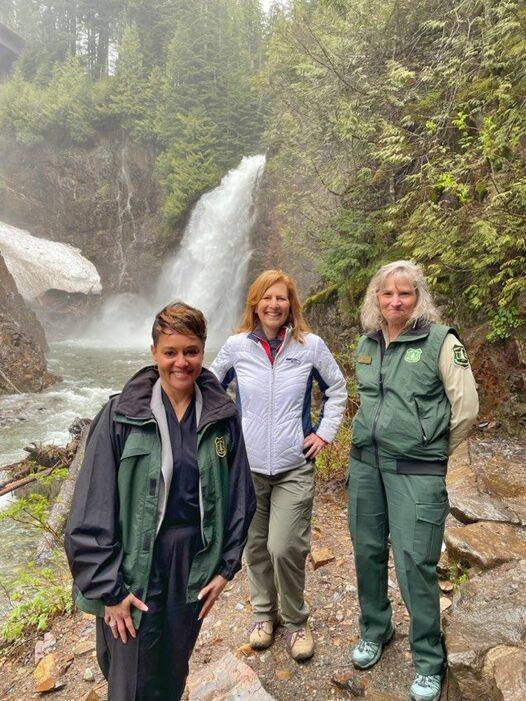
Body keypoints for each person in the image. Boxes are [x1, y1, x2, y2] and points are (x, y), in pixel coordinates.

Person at [65, 302, 256, 701]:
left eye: (191, 351)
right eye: (170, 352)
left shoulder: (221, 415)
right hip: (135, 564)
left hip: (192, 565)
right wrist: (110, 590)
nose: (181, 363)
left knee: (172, 669)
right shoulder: (121, 415)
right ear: (154, 353)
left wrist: (225, 568)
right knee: (129, 680)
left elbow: (240, 496)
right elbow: (90, 507)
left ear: (203, 351)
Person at [347, 261, 479, 701]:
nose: (395, 301)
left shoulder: (441, 341)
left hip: (416, 472)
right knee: (367, 552)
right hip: (366, 465)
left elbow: (466, 407)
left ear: (418, 297)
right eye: (387, 294)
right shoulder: (366, 344)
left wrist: (433, 449)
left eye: (404, 293)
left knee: (414, 562)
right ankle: (376, 629)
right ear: (376, 299)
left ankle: (427, 658)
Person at [210, 269, 347, 661]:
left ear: (291, 306)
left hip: (293, 465)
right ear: (255, 303)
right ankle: (263, 615)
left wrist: (323, 433)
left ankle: (296, 620)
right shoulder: (237, 347)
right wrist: (224, 438)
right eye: (267, 298)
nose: (274, 305)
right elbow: (209, 388)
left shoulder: (310, 346)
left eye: (281, 299)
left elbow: (336, 389)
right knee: (255, 546)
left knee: (284, 545)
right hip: (248, 467)